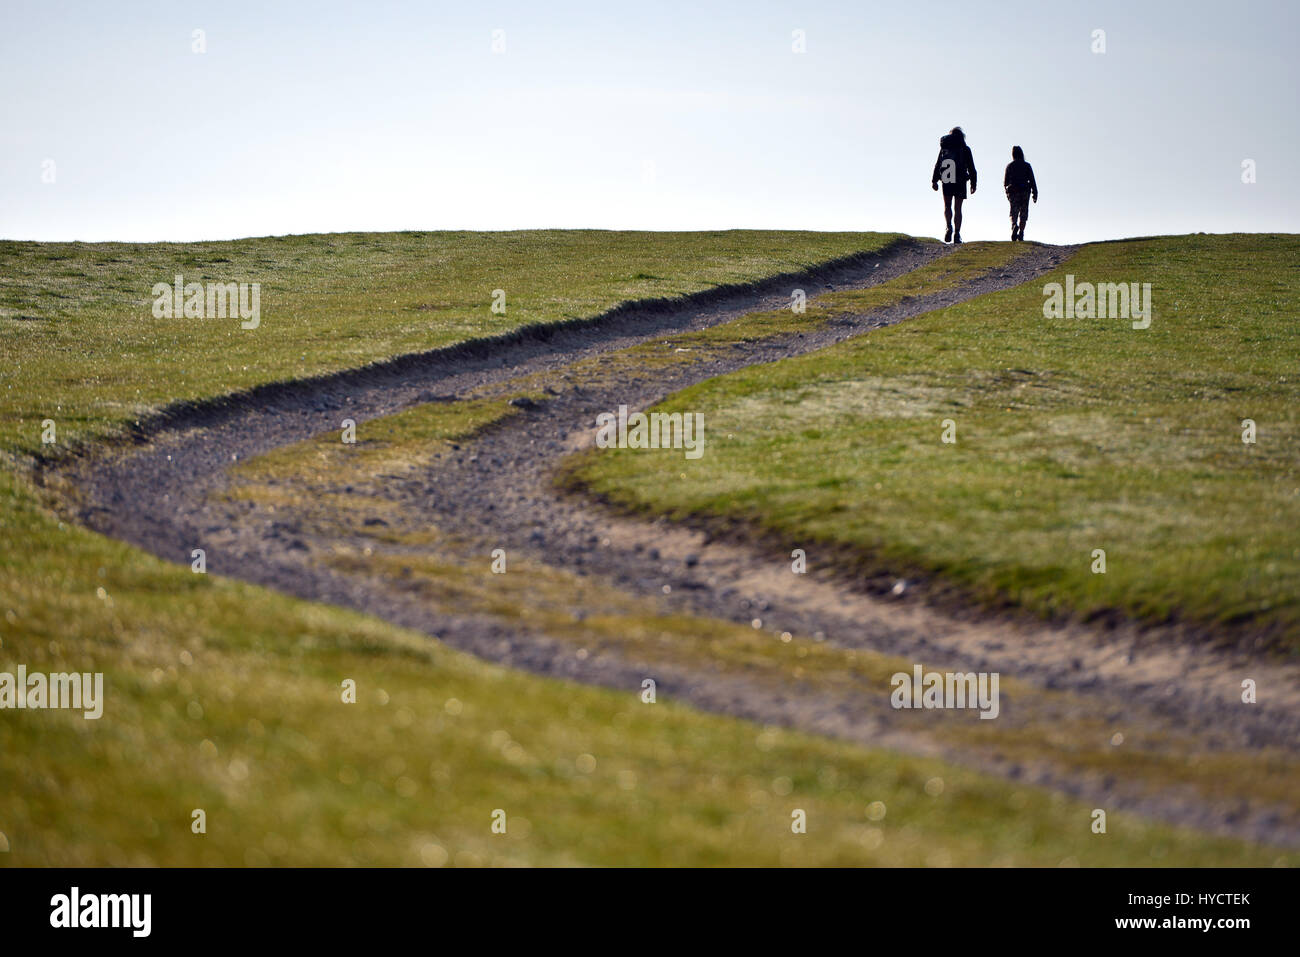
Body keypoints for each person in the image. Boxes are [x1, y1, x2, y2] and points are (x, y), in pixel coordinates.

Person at [930, 127, 976, 244]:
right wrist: (973, 183)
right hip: (960, 178)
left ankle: (948, 226)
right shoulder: (965, 149)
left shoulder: (945, 148)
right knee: (958, 208)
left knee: (947, 205)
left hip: (947, 176)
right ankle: (957, 233)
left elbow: (938, 164)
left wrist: (934, 181)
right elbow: (971, 167)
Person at [1003, 146, 1038, 241]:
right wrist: (1035, 193)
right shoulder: (1027, 165)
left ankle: (1014, 225)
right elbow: (1032, 180)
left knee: (1013, 212)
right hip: (1024, 191)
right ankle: (1021, 233)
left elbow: (1005, 183)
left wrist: (1007, 193)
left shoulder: (1009, 166)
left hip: (1013, 191)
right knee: (1023, 213)